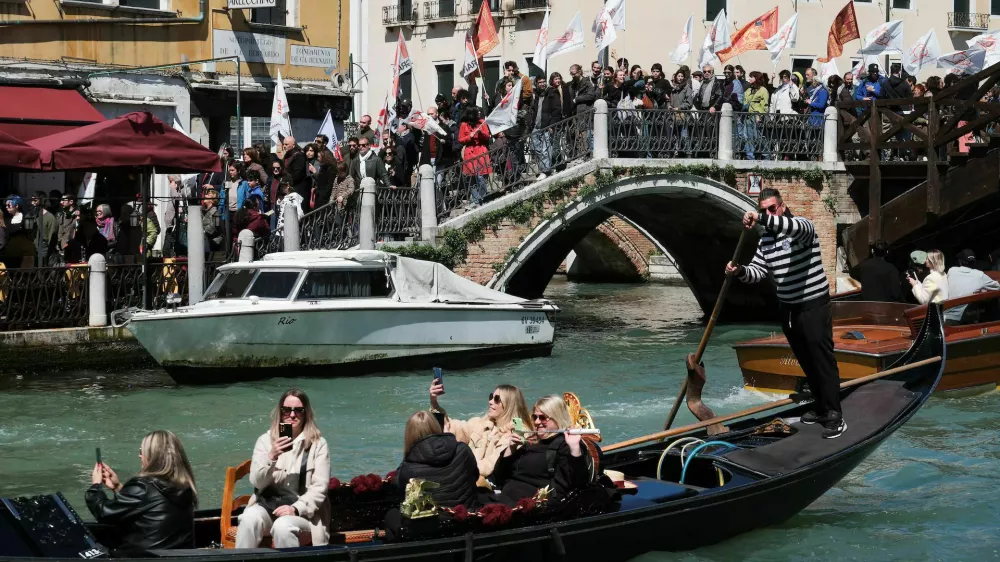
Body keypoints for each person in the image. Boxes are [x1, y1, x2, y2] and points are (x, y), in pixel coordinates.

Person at [727, 188, 846, 439]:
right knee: (805, 358)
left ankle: (835, 413)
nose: (768, 213)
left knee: (821, 357)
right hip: (789, 308)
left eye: (772, 208)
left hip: (813, 303)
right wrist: (739, 272)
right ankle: (820, 405)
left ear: (782, 207)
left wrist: (760, 219)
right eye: (764, 210)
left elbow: (794, 228)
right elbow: (758, 272)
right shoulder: (765, 241)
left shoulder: (802, 227)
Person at [235, 389, 331, 548]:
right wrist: (271, 457)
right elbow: (257, 483)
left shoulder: (318, 444)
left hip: (303, 514)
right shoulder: (265, 441)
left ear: (306, 413)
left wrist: (295, 508)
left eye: (298, 410)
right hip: (268, 507)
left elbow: (319, 488)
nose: (292, 415)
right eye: (287, 410)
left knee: (283, 527)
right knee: (248, 518)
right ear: (280, 412)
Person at [86, 430, 197, 553]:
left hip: (142, 558)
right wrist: (117, 487)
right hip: (175, 557)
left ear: (152, 455)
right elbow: (151, 503)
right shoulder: (185, 486)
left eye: (141, 451)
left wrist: (95, 487)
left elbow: (104, 513)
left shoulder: (143, 486)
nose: (139, 455)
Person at [490, 395, 589, 505]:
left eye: (542, 417)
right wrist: (510, 449)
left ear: (557, 418)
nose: (537, 422)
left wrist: (575, 448)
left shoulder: (565, 444)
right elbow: (497, 478)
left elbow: (579, 484)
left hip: (530, 506)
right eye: (534, 417)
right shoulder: (531, 442)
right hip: (505, 497)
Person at [429, 380, 532, 483]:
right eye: (491, 396)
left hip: (488, 486)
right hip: (467, 475)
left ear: (509, 405)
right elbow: (451, 426)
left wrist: (457, 462)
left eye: (496, 399)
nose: (490, 402)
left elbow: (490, 466)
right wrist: (434, 402)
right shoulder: (483, 423)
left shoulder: (516, 434)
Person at [395, 411, 480, 509]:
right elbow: (475, 476)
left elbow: (399, 488)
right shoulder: (463, 449)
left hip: (434, 521)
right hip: (469, 516)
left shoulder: (408, 467)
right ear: (437, 426)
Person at [945, 249, 1000, 323]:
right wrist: (983, 290)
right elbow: (997, 286)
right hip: (966, 319)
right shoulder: (979, 275)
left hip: (947, 318)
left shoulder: (951, 271)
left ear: (960, 262)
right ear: (974, 262)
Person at [458, 107, 492, 207]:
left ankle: (483, 197)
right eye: (477, 112)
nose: (479, 113)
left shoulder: (482, 122)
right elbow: (460, 139)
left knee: (481, 177)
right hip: (470, 152)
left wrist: (480, 133)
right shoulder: (464, 125)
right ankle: (476, 200)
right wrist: (470, 136)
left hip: (481, 151)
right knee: (472, 177)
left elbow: (488, 137)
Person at [282, 136, 310, 213]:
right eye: (283, 144)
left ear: (293, 145)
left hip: (298, 190)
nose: (284, 146)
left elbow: (297, 174)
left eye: (286, 144)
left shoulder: (299, 156)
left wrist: (288, 182)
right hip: (289, 189)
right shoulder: (288, 155)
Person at [30, 191, 57, 265]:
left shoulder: (50, 217)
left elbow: (52, 236)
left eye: (35, 200)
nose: (32, 203)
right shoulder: (31, 216)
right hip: (32, 249)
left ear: (42, 201)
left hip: (44, 249)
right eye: (32, 200)